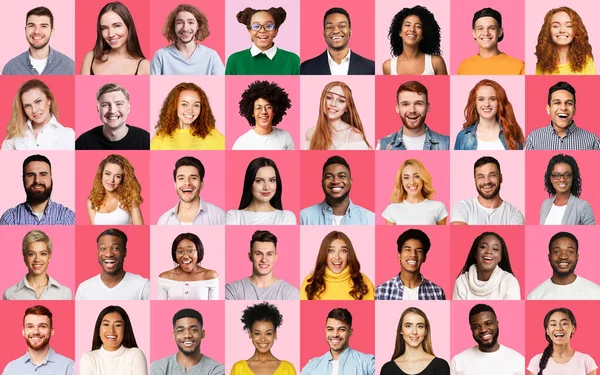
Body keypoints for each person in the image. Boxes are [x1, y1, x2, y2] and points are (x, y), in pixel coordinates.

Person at [449, 304, 525, 375]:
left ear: (497, 324)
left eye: (488, 323)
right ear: (471, 330)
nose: (483, 330)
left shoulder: (518, 361)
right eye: (476, 327)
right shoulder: (458, 362)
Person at [75, 228, 150, 300]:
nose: (108, 254)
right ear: (97, 252)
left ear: (124, 252)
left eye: (115, 248)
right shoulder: (84, 288)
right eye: (103, 248)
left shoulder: (143, 285)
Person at [0, 154, 74, 225]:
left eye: (43, 174)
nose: (37, 181)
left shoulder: (67, 217)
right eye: (31, 175)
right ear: (23, 179)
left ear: (51, 178)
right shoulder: (10, 218)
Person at [151, 4, 224, 75]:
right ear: (173, 26)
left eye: (191, 22)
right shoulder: (161, 56)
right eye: (179, 23)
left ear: (198, 26)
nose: (185, 28)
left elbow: (221, 84)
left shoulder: (211, 56)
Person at [225, 230, 299, 300]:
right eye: (258, 254)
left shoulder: (290, 292)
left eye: (269, 254)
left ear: (275, 257)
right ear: (250, 256)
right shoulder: (232, 289)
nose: (264, 260)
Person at [300, 155, 374, 225]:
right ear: (322, 183)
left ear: (350, 182)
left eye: (342, 176)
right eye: (329, 177)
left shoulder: (369, 219)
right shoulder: (304, 217)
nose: (335, 181)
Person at [301, 231, 374, 300]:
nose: (337, 257)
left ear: (349, 254)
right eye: (331, 251)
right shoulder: (310, 281)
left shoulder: (363, 281)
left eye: (343, 251)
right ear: (324, 254)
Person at [450, 156, 524, 225]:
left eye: (492, 175)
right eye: (481, 177)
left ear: (500, 178)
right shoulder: (463, 207)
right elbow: (459, 238)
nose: (487, 181)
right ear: (475, 180)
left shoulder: (514, 214)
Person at [80, 1, 150, 75]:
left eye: (117, 26)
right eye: (104, 28)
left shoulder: (145, 66)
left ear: (128, 26)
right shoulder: (90, 58)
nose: (111, 34)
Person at [525, 81, 600, 150]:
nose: (563, 108)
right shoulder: (533, 139)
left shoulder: (592, 141)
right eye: (557, 103)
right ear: (548, 109)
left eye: (569, 103)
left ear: (574, 109)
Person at [2, 79, 74, 150]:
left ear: (49, 100)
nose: (34, 110)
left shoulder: (68, 135)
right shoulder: (16, 134)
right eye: (27, 106)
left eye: (38, 101)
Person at [376, 81, 450, 150]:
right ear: (398, 108)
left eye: (418, 104)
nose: (412, 110)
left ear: (427, 107)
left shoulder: (447, 144)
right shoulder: (383, 145)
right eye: (405, 104)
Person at [226, 7, 300, 75]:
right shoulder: (235, 61)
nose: (262, 30)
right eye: (256, 26)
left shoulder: (293, 60)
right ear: (250, 31)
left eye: (268, 26)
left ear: (276, 31)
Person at [2, 305, 74, 375]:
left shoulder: (69, 367)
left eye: (42, 326)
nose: (36, 332)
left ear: (51, 331)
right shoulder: (11, 369)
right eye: (30, 326)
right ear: (23, 332)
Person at [300, 7, 375, 75]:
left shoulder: (370, 67)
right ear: (324, 33)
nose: (335, 31)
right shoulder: (306, 68)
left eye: (341, 26)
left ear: (350, 31)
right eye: (329, 27)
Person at [151, 82, 225, 150]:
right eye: (184, 104)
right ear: (174, 106)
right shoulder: (162, 136)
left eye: (196, 105)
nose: (190, 110)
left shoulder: (211, 133)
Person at [75, 83, 150, 150]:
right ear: (98, 109)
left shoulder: (145, 140)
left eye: (119, 104)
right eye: (105, 105)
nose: (112, 111)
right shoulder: (83, 143)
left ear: (128, 108)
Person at [527, 231, 600, 300]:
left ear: (577, 256)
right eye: (556, 252)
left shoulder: (596, 293)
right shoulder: (535, 296)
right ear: (549, 257)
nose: (563, 256)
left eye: (570, 252)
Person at [454, 79, 524, 150]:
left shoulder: (512, 135)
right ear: (475, 103)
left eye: (492, 99)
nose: (487, 104)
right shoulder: (463, 136)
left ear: (499, 103)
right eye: (481, 99)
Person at [300, 308, 375, 375]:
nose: (335, 334)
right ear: (326, 331)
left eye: (341, 329)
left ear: (350, 332)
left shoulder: (368, 363)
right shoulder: (311, 366)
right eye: (330, 329)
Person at [376, 229, 446, 300]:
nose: (413, 254)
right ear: (399, 255)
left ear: (424, 257)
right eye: (407, 250)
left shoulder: (437, 292)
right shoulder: (380, 291)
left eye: (419, 251)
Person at [150, 309, 225, 375]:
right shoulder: (158, 367)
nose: (187, 335)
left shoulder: (217, 369)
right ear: (174, 336)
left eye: (194, 330)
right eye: (180, 331)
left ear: (202, 334)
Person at [2, 6, 75, 75]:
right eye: (31, 25)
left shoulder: (70, 67)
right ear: (25, 30)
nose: (36, 31)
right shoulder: (10, 69)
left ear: (52, 31)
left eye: (43, 26)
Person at [3, 229, 72, 300]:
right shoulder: (9, 294)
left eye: (43, 254)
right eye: (31, 254)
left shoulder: (65, 293)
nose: (37, 259)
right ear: (25, 257)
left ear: (49, 257)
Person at [226, 157, 296, 225]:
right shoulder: (234, 217)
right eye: (259, 181)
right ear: (249, 182)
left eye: (272, 180)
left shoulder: (286, 217)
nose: (266, 187)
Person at [231, 302, 296, 375]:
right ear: (250, 334)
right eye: (257, 333)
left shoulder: (287, 368)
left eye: (268, 333)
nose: (262, 339)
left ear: (275, 334)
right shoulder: (238, 368)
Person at [79, 305, 148, 375]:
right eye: (106, 324)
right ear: (98, 330)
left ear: (125, 330)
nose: (111, 330)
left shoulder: (135, 355)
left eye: (118, 325)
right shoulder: (88, 358)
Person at [527, 308, 597, 375]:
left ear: (573, 328)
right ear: (547, 331)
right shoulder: (536, 362)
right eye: (553, 324)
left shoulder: (586, 361)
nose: (558, 328)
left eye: (564, 323)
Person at [380, 307, 450, 375]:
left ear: (425, 331)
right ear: (401, 330)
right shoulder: (388, 369)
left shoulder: (440, 366)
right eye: (408, 326)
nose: (414, 332)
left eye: (420, 326)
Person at [157, 156, 225, 225]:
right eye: (181, 178)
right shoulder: (164, 220)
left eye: (193, 178)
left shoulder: (219, 216)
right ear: (175, 184)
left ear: (201, 183)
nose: (187, 182)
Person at [453, 232, 521, 300]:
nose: (489, 251)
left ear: (500, 257)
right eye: (483, 247)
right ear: (475, 253)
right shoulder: (462, 281)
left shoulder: (510, 282)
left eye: (495, 249)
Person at [305, 81, 372, 150]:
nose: (333, 104)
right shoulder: (311, 134)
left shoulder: (355, 136)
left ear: (347, 108)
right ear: (322, 100)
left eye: (341, 101)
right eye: (329, 97)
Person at [457, 8, 525, 75]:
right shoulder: (464, 66)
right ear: (474, 33)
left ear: (500, 32)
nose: (486, 33)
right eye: (480, 28)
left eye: (492, 28)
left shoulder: (519, 66)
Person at [382, 6, 447, 75]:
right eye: (407, 25)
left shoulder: (436, 62)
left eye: (418, 26)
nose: (412, 29)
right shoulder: (388, 66)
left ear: (423, 35)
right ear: (400, 32)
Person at [382, 159, 447, 225]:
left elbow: (441, 235)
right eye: (406, 177)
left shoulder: (438, 207)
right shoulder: (392, 210)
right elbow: (392, 235)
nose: (412, 182)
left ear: (422, 179)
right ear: (402, 182)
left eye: (416, 176)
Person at [233, 81, 295, 150]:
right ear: (252, 112)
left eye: (268, 107)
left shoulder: (285, 137)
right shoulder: (241, 143)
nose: (264, 112)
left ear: (274, 111)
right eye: (258, 108)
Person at [535, 7, 596, 75]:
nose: (562, 30)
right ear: (548, 31)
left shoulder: (586, 61)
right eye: (555, 26)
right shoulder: (542, 64)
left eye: (569, 26)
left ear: (576, 31)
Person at [157, 233, 219, 300]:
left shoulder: (210, 276)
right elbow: (161, 308)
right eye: (180, 252)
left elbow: (214, 308)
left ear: (198, 251)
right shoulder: (164, 278)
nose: (185, 256)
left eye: (190, 251)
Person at [87, 154, 144, 225]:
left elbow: (140, 229)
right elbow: (94, 229)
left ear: (123, 179)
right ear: (101, 174)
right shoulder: (92, 201)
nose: (111, 180)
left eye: (117, 176)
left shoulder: (130, 199)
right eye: (107, 174)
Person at [540, 154, 594, 225]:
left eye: (567, 175)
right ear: (551, 179)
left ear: (572, 177)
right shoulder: (545, 205)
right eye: (556, 175)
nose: (562, 179)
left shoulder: (583, 207)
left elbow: (590, 235)